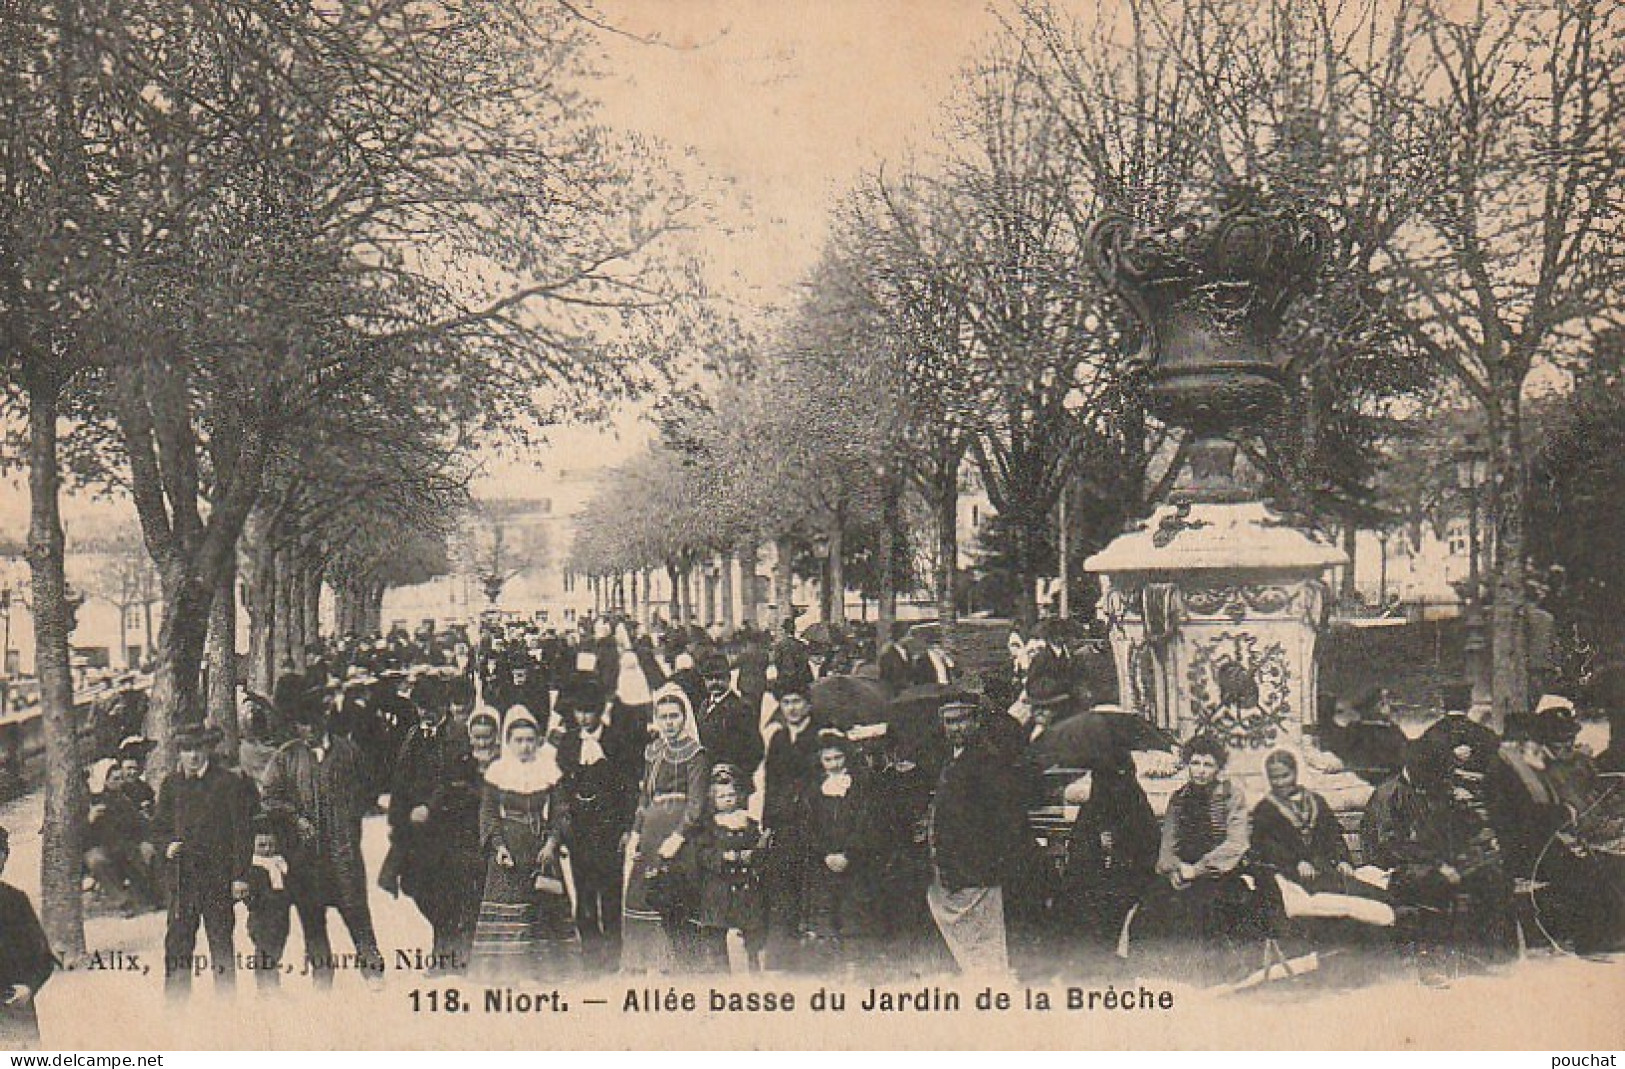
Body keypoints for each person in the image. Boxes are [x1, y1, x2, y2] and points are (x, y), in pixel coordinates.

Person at [259, 693, 386, 987]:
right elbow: (270, 797)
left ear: (324, 720)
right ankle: (322, 974)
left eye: (313, 721)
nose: (308, 729)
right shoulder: (287, 757)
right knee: (311, 915)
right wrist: (295, 818)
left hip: (342, 848)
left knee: (355, 910)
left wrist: (349, 813)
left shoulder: (348, 752)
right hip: (305, 852)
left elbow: (369, 787)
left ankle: (372, 970)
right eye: (302, 724)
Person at [1362, 736, 1514, 983]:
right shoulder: (1388, 795)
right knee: (1434, 881)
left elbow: (1456, 827)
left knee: (1490, 873)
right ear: (1414, 767)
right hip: (1392, 870)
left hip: (1435, 862)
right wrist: (1437, 863)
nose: (1440, 778)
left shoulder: (1435, 789)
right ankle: (1431, 963)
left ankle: (1475, 954)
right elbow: (1389, 846)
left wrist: (1481, 837)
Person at [1138, 736, 1274, 980]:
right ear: (1187, 765)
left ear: (1218, 768)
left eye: (1208, 765)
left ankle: (1212, 977)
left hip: (1219, 874)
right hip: (1181, 875)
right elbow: (1168, 845)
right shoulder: (1178, 798)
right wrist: (1174, 871)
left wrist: (1198, 869)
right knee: (1152, 905)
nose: (1200, 771)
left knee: (1210, 908)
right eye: (1196, 763)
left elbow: (1236, 843)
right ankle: (1163, 977)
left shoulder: (1232, 796)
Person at [469, 706, 578, 980]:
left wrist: (552, 843)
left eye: (530, 740)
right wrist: (498, 846)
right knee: (509, 904)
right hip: (510, 847)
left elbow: (561, 811)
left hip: (540, 847)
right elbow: (489, 812)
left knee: (543, 906)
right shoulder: (498, 772)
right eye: (518, 740)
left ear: (538, 741)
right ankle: (507, 971)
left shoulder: (548, 770)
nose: (525, 746)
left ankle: (547, 971)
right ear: (508, 742)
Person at [927, 694, 1028, 977]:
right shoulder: (952, 760)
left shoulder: (988, 761)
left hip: (977, 863)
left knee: (985, 940)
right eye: (949, 722)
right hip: (957, 863)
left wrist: (986, 860)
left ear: (975, 722)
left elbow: (1002, 817)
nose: (955, 728)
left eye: (962, 721)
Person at [383, 674, 476, 973]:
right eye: (421, 707)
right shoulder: (413, 736)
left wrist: (430, 807)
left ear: (444, 705)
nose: (425, 713)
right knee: (415, 885)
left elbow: (458, 782)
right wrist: (397, 820)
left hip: (451, 828)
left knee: (447, 889)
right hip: (416, 831)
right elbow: (400, 780)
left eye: (430, 706)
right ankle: (448, 944)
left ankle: (447, 953)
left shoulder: (459, 735)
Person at [152, 723, 252, 998]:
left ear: (208, 749)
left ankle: (227, 1009)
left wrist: (240, 876)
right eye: (186, 750)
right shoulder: (171, 786)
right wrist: (167, 846)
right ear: (179, 753)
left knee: (221, 944)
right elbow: (158, 827)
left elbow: (242, 833)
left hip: (217, 879)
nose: (193, 756)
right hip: (184, 880)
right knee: (178, 944)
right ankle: (175, 1011)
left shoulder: (228, 783)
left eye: (197, 749)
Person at [622, 684, 710, 974]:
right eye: (664, 717)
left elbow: (696, 804)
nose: (669, 723)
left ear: (684, 718)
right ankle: (646, 960)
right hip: (651, 830)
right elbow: (644, 796)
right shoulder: (652, 750)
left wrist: (680, 835)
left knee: (674, 893)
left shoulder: (695, 753)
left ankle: (678, 962)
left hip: (676, 834)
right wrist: (636, 831)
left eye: (674, 716)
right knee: (642, 892)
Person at [555, 674, 638, 974]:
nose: (583, 717)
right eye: (579, 711)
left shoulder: (617, 740)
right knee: (583, 889)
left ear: (600, 710)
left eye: (589, 710)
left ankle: (613, 951)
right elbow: (560, 785)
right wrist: (563, 823)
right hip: (579, 829)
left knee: (611, 890)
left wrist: (628, 827)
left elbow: (629, 786)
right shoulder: (567, 742)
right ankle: (590, 950)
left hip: (609, 827)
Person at [1059, 740, 1158, 959]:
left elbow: (1147, 850)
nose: (1113, 785)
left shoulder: (1136, 804)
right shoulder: (1092, 810)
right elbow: (1078, 859)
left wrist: (1118, 847)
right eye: (1105, 778)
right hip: (1093, 891)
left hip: (1126, 887)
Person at [801, 729, 881, 971]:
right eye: (828, 759)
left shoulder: (858, 786)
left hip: (853, 860)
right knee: (825, 912)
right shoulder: (814, 790)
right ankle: (830, 967)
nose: (834, 764)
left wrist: (849, 854)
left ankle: (854, 966)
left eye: (838, 758)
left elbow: (865, 822)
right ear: (820, 760)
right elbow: (807, 825)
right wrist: (825, 854)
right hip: (824, 861)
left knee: (853, 911)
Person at [760, 675, 822, 968]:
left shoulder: (820, 736)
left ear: (808, 704)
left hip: (812, 823)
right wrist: (768, 824)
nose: (792, 708)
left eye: (797, 702)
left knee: (811, 886)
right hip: (784, 825)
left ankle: (812, 955)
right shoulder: (779, 738)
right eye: (786, 703)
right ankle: (784, 957)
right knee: (783, 888)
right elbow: (771, 783)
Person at [693, 765, 766, 973]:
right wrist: (723, 857)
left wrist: (753, 854)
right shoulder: (709, 826)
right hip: (719, 887)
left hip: (745, 887)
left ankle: (753, 970)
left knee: (751, 932)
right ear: (713, 799)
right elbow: (702, 853)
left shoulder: (748, 822)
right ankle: (720, 975)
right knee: (717, 935)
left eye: (731, 794)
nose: (727, 799)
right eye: (721, 796)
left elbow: (758, 848)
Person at [0, 826, 54, 1048]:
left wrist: (29, 987)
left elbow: (43, 958)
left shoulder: (15, 901)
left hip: (12, 1006)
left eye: (1, 855)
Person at [243, 814, 292, 991]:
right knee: (264, 949)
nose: (267, 849)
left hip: (280, 915)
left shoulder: (280, 862)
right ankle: (265, 987)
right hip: (261, 917)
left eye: (271, 845)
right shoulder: (254, 866)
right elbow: (250, 896)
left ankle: (273, 985)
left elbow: (288, 885)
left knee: (277, 947)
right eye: (262, 845)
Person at [697, 652, 764, 781]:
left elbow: (755, 750)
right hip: (707, 776)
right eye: (710, 679)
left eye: (719, 678)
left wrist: (735, 772)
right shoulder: (704, 706)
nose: (714, 682)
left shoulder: (741, 708)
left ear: (729, 679)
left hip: (732, 779)